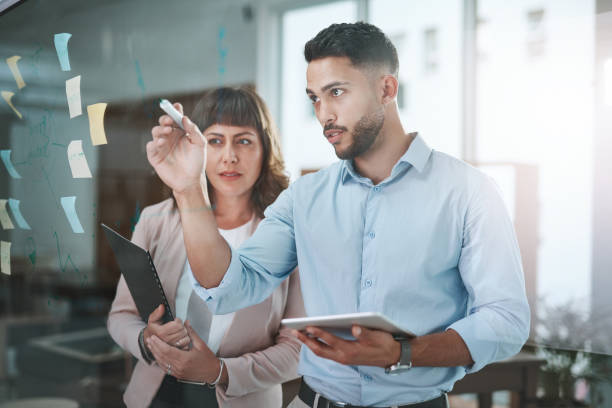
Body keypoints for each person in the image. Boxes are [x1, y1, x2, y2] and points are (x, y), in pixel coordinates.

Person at [146, 22, 530, 408]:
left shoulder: (468, 191)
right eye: (314, 98)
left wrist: (402, 352)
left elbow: (506, 320)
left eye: (337, 92)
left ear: (386, 89)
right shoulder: (304, 197)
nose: (323, 114)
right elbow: (228, 287)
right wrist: (188, 188)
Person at [108, 87, 304, 408]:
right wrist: (145, 339)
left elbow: (298, 348)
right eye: (215, 141)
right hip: (157, 395)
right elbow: (121, 315)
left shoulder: (287, 234)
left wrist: (221, 371)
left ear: (265, 150)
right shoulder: (156, 220)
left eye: (243, 140)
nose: (229, 156)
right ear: (195, 146)